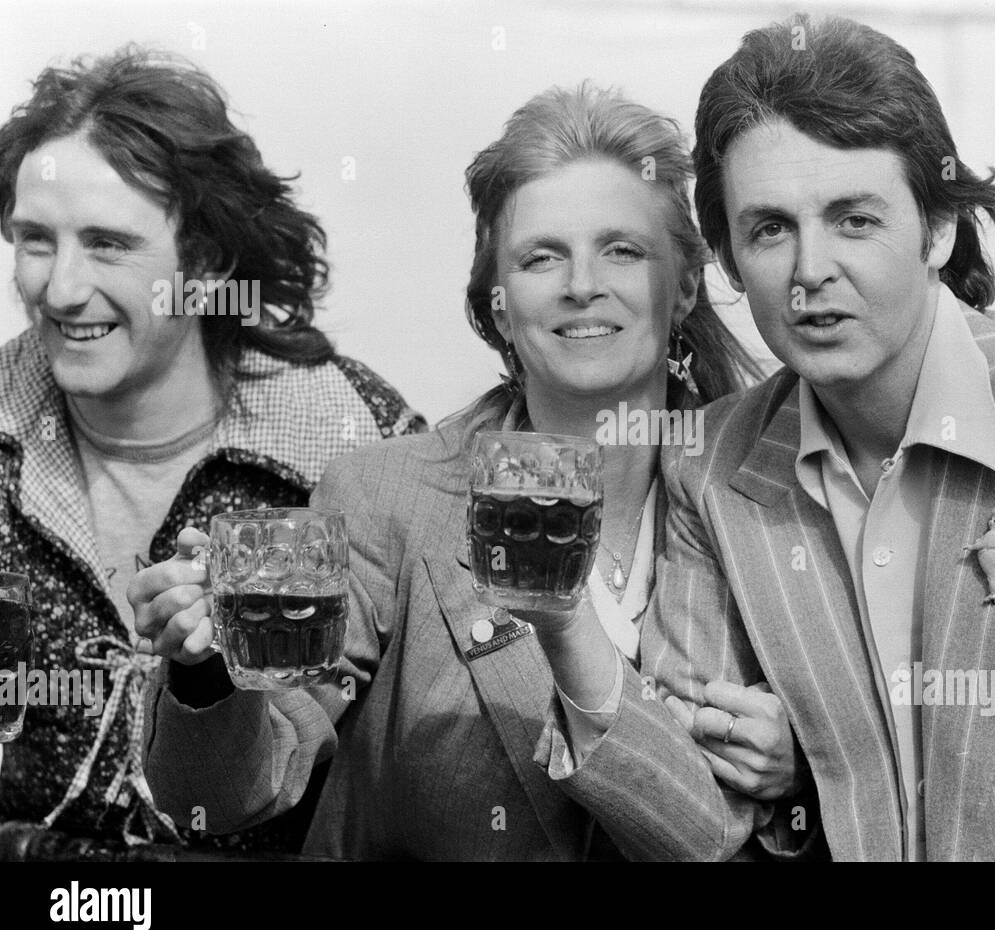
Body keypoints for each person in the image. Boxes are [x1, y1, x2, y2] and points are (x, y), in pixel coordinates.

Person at [531, 13, 995, 861]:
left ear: (938, 229)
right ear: (724, 256)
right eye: (770, 228)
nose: (810, 269)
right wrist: (570, 630)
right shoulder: (712, 468)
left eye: (854, 218)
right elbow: (703, 831)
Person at [133, 84, 800, 860]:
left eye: (622, 248)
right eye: (542, 256)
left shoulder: (762, 503)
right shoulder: (385, 497)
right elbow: (228, 793)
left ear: (684, 284)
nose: (582, 283)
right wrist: (205, 670)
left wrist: (799, 774)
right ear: (498, 301)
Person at [0, 47, 424, 851]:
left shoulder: (356, 439)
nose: (59, 289)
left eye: (108, 244)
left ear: (205, 263)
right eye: (33, 240)